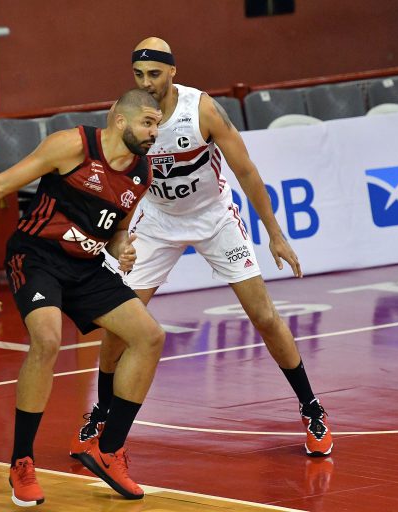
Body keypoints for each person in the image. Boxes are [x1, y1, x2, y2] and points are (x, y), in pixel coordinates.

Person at [69, 37, 333, 460]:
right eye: (138, 74)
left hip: (214, 218)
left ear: (173, 71)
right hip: (156, 221)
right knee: (119, 325)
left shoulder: (202, 110)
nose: (146, 82)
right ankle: (101, 412)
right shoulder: (126, 113)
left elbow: (246, 171)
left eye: (154, 74)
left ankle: (311, 407)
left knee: (264, 316)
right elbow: (115, 177)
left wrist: (275, 233)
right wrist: (116, 235)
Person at [0, 89, 164, 506]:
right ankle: (22, 461)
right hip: (37, 256)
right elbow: (3, 182)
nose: (154, 132)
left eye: (157, 124)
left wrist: (121, 248)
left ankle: (109, 450)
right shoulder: (72, 146)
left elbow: (117, 229)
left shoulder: (142, 173)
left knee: (149, 336)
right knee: (47, 339)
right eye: (148, 123)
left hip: (86, 267)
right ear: (121, 121)